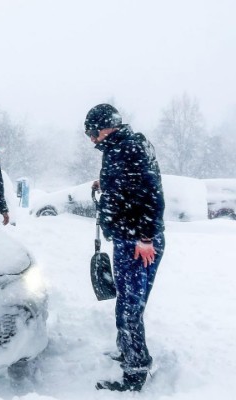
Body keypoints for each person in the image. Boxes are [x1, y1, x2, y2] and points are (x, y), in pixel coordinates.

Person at [84, 104, 165, 392]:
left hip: (136, 242)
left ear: (105, 128)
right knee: (130, 303)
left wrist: (144, 237)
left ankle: (135, 371)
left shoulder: (126, 149)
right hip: (131, 238)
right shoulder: (126, 146)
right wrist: (104, 183)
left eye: (91, 132)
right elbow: (128, 185)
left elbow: (150, 193)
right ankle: (129, 352)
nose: (91, 139)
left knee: (129, 307)